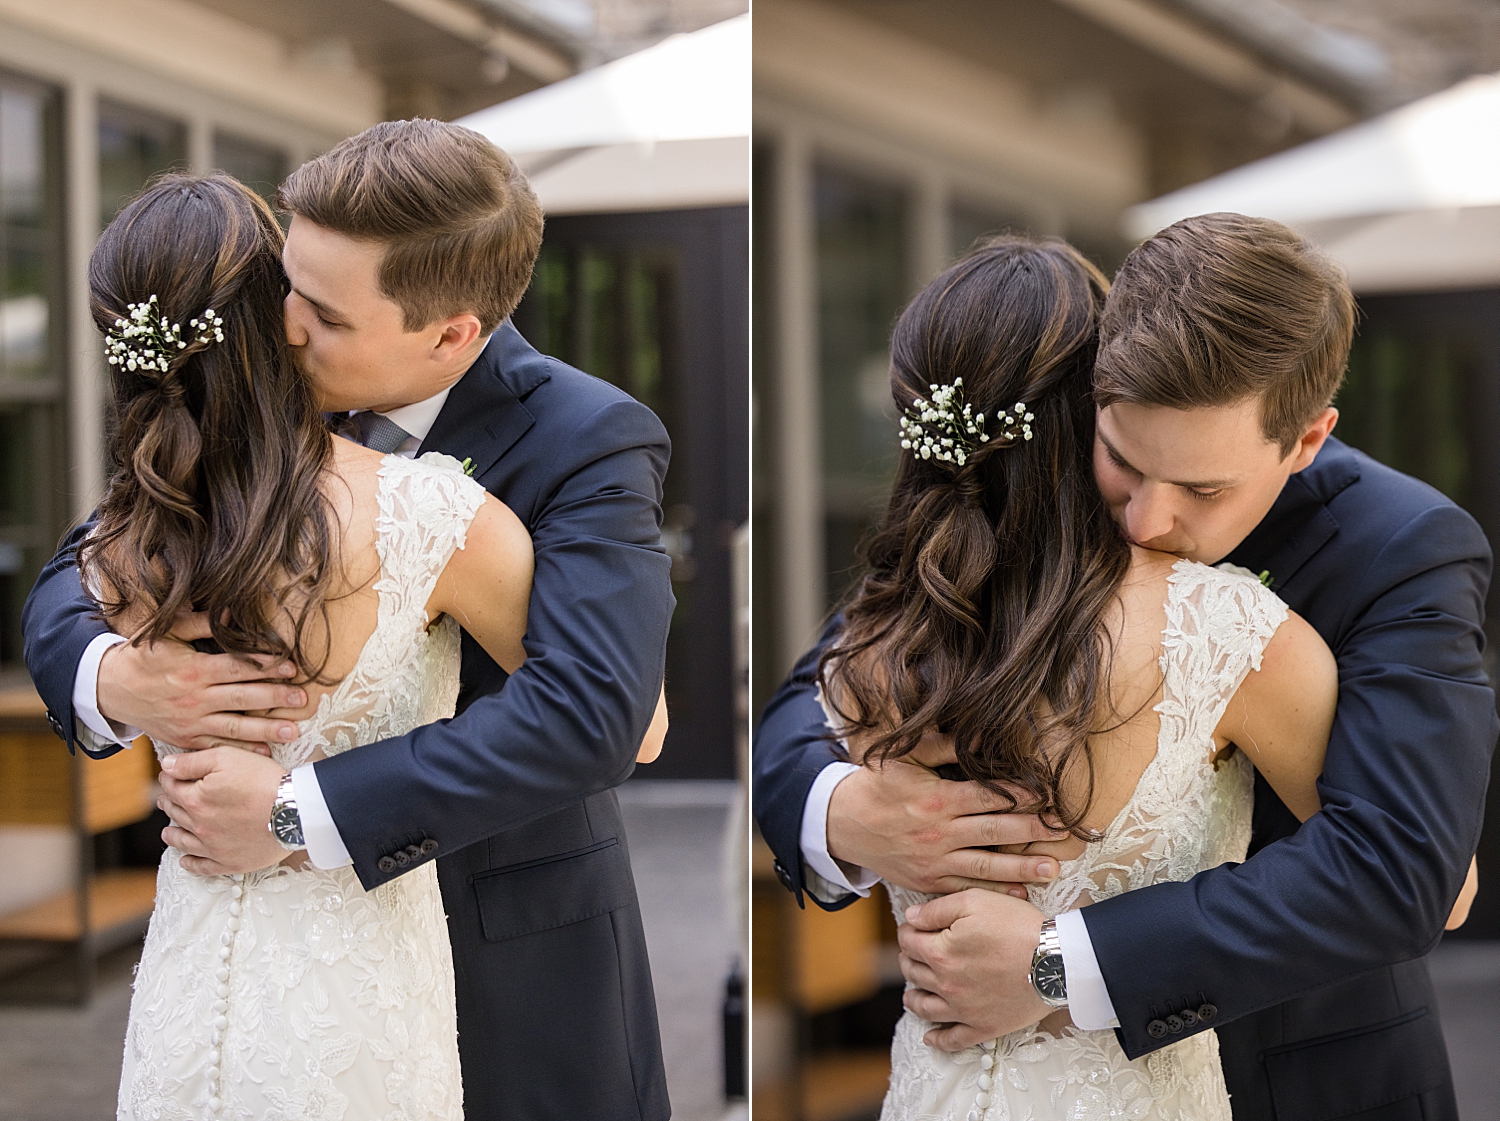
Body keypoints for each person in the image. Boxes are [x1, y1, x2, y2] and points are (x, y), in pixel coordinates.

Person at [753, 215, 1492, 1121]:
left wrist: (1061, 962)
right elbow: (814, 686)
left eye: (1203, 491)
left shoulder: (1403, 547)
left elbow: (1412, 866)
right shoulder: (1042, 485)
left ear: (1304, 440)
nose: (1143, 522)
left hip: (1307, 1078)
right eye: (1125, 463)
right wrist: (846, 811)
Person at [24, 122, 674, 1121]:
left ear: (451, 332)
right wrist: (114, 674)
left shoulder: (586, 439)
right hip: (244, 962)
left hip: (507, 952)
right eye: (285, 281)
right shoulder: (260, 381)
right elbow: (86, 560)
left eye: (323, 313)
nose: (280, 325)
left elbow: (603, 713)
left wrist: (293, 813)